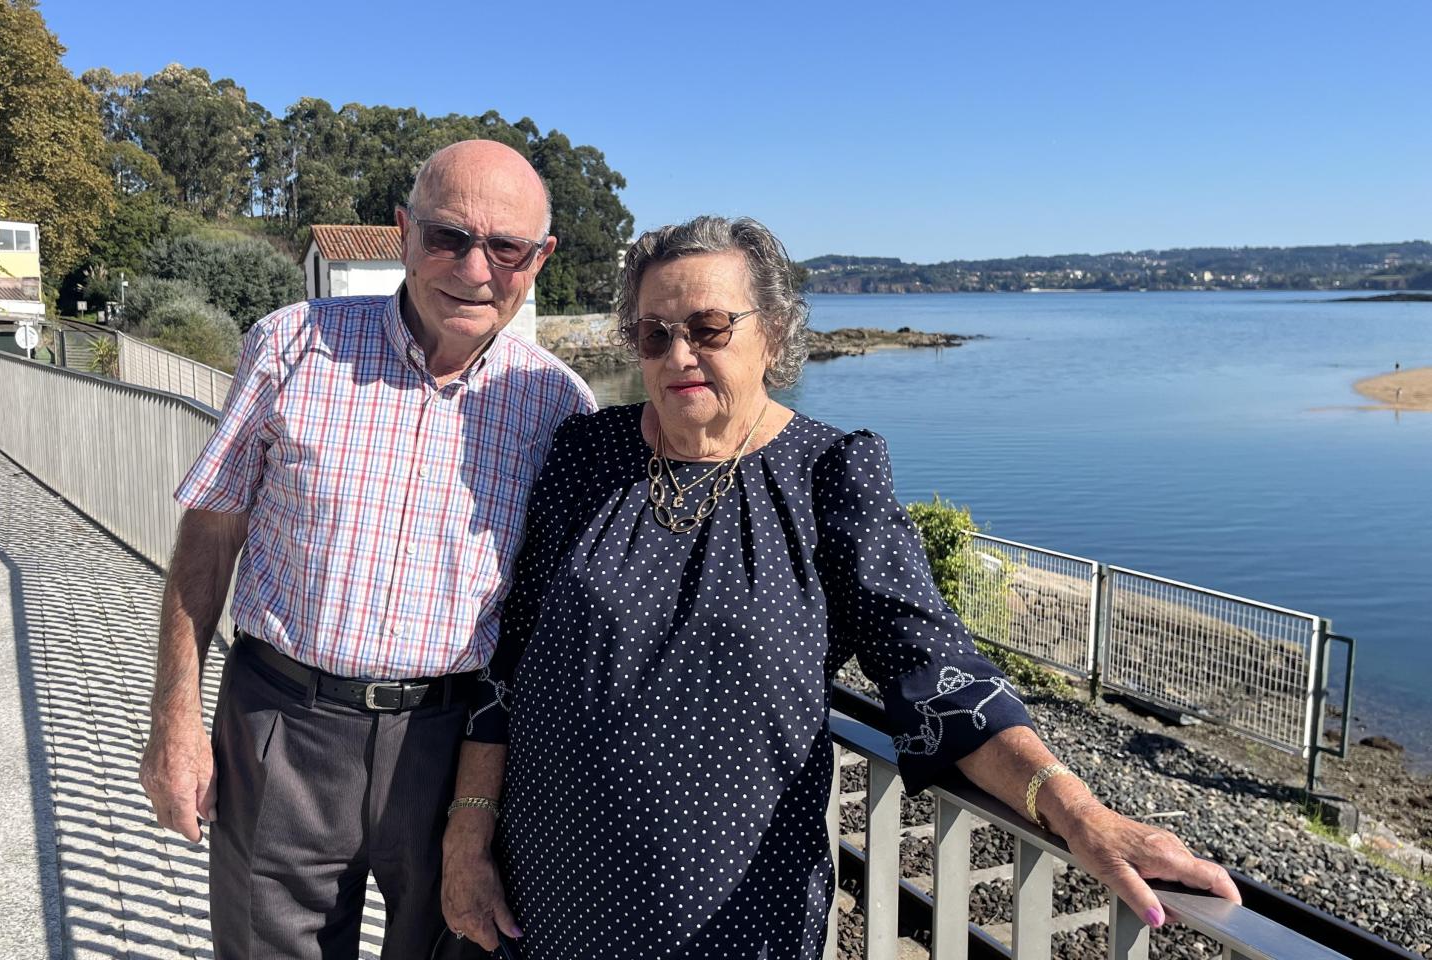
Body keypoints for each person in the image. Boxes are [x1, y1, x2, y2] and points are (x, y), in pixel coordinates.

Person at [440, 216, 1242, 959]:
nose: (680, 353)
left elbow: (933, 671)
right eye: (654, 332)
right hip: (544, 897)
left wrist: (1080, 814)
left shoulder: (829, 475)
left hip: (732, 918)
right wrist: (467, 841)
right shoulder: (588, 454)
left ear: (775, 333)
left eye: (709, 327)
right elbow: (511, 666)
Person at [138, 139, 595, 960]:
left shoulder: (558, 403)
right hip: (282, 722)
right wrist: (173, 716)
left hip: (456, 750)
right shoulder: (290, 345)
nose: (474, 267)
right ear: (403, 231)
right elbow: (209, 533)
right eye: (448, 236)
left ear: (539, 259)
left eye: (506, 248)